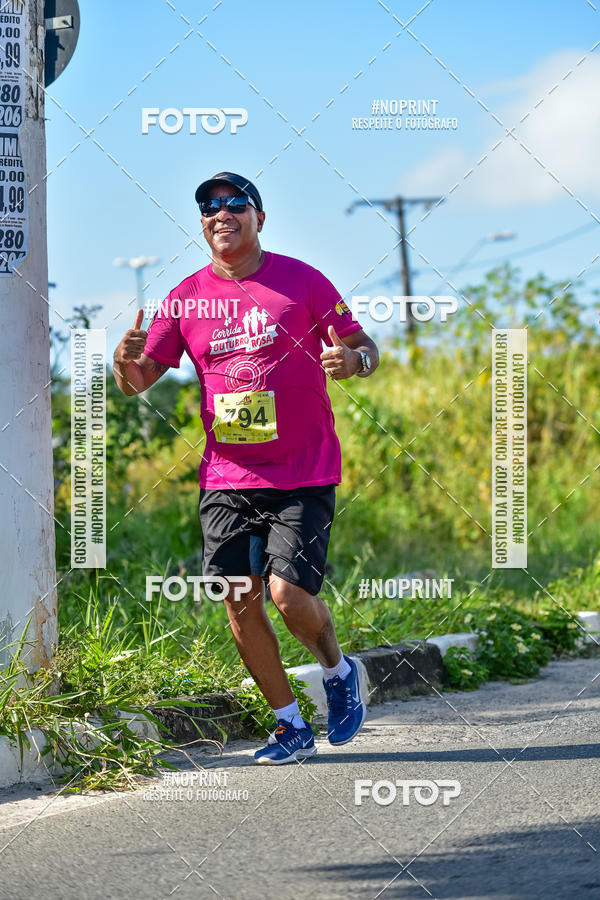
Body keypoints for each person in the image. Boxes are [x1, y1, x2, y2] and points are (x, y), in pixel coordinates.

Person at [113, 172, 379, 765]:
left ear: (260, 217)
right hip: (227, 476)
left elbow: (366, 346)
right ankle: (290, 726)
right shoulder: (186, 297)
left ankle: (338, 670)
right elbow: (137, 383)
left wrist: (354, 360)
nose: (221, 213)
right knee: (239, 599)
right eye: (209, 206)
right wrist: (121, 360)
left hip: (302, 470)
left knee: (287, 593)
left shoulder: (302, 281)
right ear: (202, 221)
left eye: (236, 204)